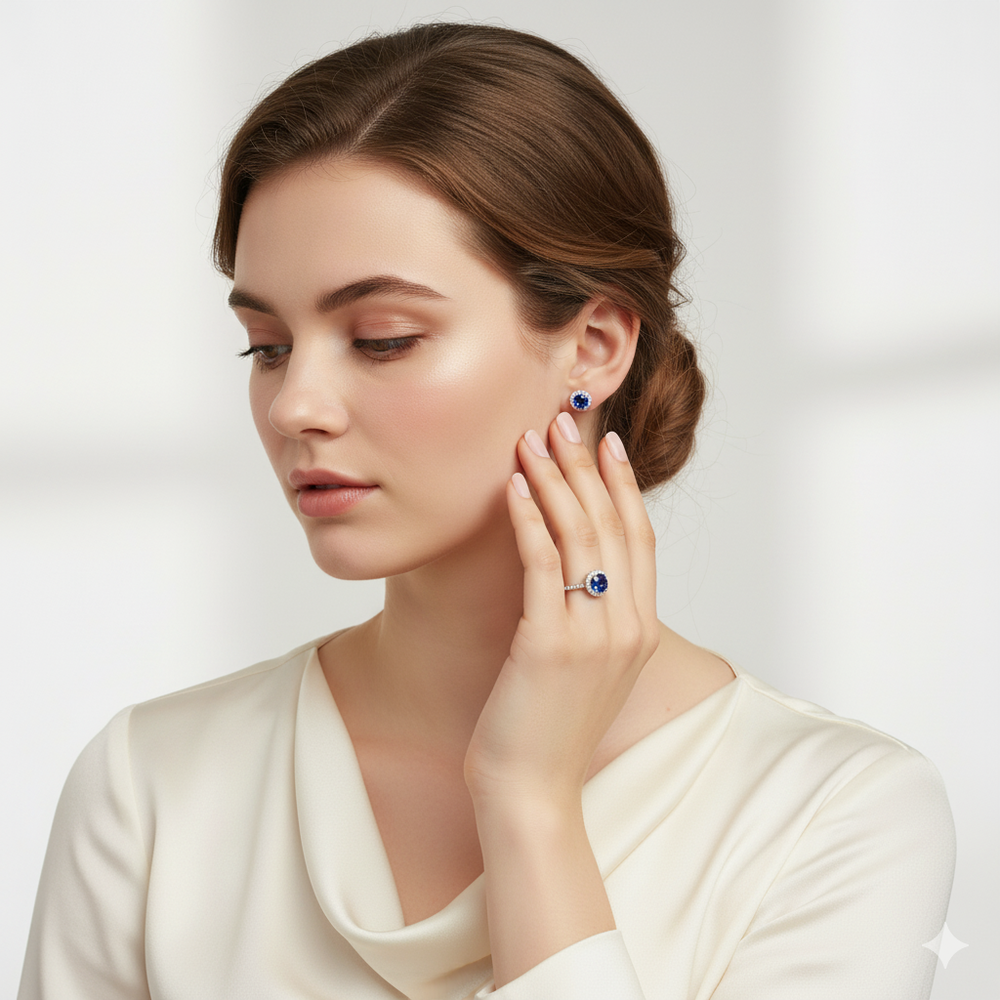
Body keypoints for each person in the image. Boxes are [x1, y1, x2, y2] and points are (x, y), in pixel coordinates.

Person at [18, 22, 955, 1000]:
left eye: (381, 338)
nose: (295, 403)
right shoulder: (152, 784)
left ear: (592, 345)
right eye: (266, 345)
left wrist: (528, 803)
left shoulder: (835, 812)